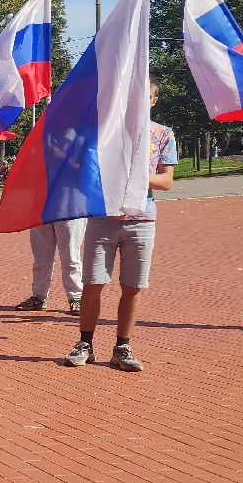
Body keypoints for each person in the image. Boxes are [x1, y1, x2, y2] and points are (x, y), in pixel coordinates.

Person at [64, 80, 176, 371]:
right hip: (104, 218)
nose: (140, 101)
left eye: (147, 97)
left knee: (133, 286)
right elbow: (85, 169)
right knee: (93, 283)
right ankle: (85, 344)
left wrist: (136, 174)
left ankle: (122, 347)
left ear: (154, 100)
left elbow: (165, 181)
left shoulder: (163, 134)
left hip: (141, 220)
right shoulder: (107, 132)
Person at [15, 219, 84, 313]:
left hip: (70, 210)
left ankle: (77, 298)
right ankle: (38, 297)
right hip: (41, 210)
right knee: (41, 258)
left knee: (71, 257)